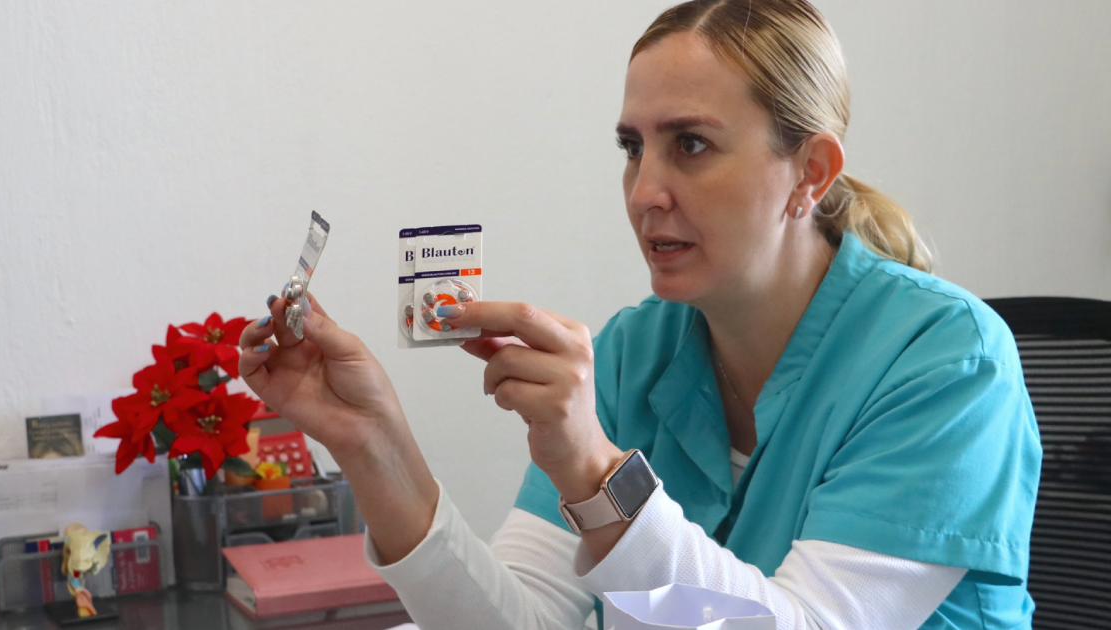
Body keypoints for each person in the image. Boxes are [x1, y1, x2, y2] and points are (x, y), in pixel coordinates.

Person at [238, 1, 1041, 628]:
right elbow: (522, 622)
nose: (644, 191)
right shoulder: (632, 354)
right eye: (633, 147)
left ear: (810, 172)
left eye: (690, 145)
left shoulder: (947, 364)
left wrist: (596, 472)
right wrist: (374, 444)